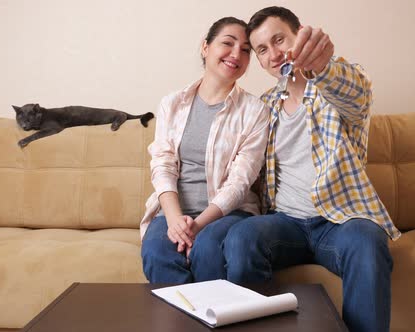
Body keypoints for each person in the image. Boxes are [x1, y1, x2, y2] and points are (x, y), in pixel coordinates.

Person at [222, 7, 401, 332]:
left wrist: (321, 65)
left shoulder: (335, 91)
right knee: (241, 236)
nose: (274, 54)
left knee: (367, 240)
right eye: (262, 49)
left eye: (280, 40)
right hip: (286, 223)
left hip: (339, 222)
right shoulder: (266, 104)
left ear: (300, 35)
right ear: (259, 61)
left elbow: (354, 90)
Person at [140, 17, 269, 284]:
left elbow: (240, 181)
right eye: (227, 43)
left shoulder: (256, 111)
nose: (236, 54)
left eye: (246, 50)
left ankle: (217, 320)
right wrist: (176, 221)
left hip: (229, 214)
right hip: (175, 211)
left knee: (209, 248)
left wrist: (197, 227)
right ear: (206, 47)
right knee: (156, 252)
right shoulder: (172, 103)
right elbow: (163, 165)